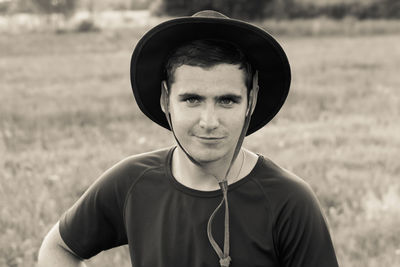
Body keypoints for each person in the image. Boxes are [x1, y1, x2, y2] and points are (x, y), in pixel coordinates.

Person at [38, 10, 339, 267]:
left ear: (251, 101)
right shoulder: (132, 182)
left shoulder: (289, 201)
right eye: (192, 99)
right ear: (166, 99)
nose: (209, 122)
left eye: (227, 100)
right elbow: (58, 248)